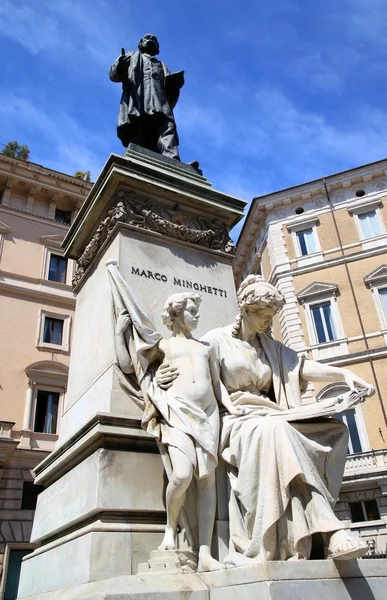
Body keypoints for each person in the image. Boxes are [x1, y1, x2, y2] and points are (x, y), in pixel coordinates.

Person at [156, 275, 375, 563]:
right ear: (245, 310)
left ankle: (320, 527)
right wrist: (161, 378)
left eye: (272, 316)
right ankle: (330, 531)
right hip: (234, 419)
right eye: (263, 315)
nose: (268, 322)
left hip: (270, 415)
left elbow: (300, 366)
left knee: (331, 430)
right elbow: (189, 370)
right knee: (276, 431)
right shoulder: (215, 340)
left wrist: (343, 374)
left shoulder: (268, 346)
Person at [108, 262, 240, 572]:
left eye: (196, 311)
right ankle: (170, 529)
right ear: (177, 314)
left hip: (208, 415)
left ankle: (206, 552)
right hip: (178, 411)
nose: (196, 316)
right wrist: (119, 333)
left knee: (207, 480)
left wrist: (232, 407)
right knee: (181, 475)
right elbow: (131, 366)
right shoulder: (163, 346)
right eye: (191, 311)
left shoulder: (206, 347)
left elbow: (216, 384)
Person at [109, 34, 184, 159]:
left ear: (157, 47)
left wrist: (175, 84)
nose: (150, 40)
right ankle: (139, 153)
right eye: (147, 38)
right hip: (139, 97)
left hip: (160, 99)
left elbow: (170, 87)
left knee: (167, 124)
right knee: (140, 124)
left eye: (154, 40)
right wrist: (120, 66)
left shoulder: (162, 65)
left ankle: (172, 157)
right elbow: (114, 74)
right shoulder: (131, 56)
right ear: (141, 43)